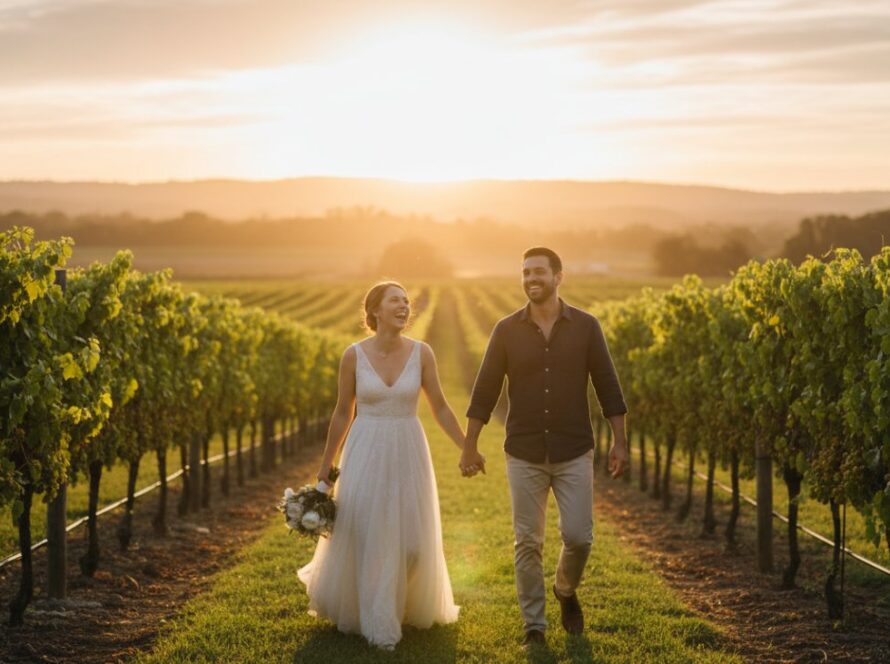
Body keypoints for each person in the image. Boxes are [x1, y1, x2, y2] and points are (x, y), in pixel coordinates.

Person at [460, 247, 628, 647]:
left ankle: (565, 591)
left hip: (574, 449)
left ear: (558, 277)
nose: (531, 278)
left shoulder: (587, 327)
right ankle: (534, 625)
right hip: (524, 451)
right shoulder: (506, 330)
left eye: (539, 271)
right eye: (525, 272)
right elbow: (485, 389)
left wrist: (620, 441)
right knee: (527, 542)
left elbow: (608, 385)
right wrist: (470, 445)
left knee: (580, 537)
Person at [298, 281, 463, 650]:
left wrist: (466, 445)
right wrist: (326, 463)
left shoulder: (423, 353)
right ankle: (377, 621)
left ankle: (399, 602)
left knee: (413, 542)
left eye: (406, 301)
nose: (404, 306)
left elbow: (439, 405)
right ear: (375, 310)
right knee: (368, 533)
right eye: (395, 301)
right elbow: (343, 412)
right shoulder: (353, 356)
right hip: (365, 447)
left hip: (408, 447)